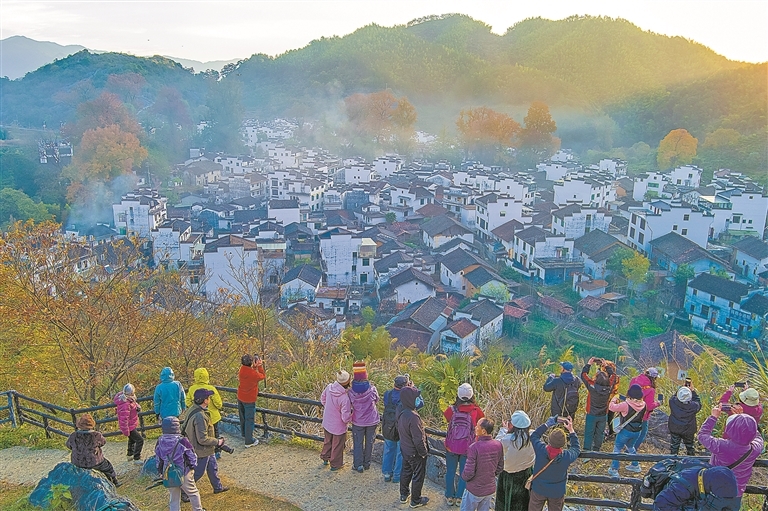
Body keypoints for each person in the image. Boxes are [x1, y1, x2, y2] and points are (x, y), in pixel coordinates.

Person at [698, 405, 764, 509]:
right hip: (736, 494)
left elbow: (702, 435)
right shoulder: (755, 448)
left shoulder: (722, 446)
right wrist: (744, 420)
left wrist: (713, 417)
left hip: (716, 491)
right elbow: (758, 436)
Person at [182, 389, 229, 500]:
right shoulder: (200, 416)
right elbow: (202, 439)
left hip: (204, 448)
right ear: (204, 400)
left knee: (212, 467)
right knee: (198, 472)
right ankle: (184, 492)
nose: (209, 399)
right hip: (201, 449)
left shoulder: (193, 409)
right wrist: (218, 442)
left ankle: (217, 487)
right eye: (208, 397)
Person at [443, 383, 485, 507]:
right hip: (468, 447)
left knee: (450, 471)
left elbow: (447, 418)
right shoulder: (476, 411)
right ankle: (460, 497)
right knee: (464, 472)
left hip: (451, 446)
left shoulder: (452, 409)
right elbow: (482, 423)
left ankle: (449, 496)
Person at [528, 415, 580, 511]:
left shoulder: (540, 449)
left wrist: (547, 424)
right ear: (563, 443)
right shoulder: (566, 456)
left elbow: (534, 436)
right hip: (557, 492)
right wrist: (571, 430)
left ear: (549, 440)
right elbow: (576, 449)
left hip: (539, 488)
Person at [155, 416, 204, 511]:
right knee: (193, 493)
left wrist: (160, 471)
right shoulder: (182, 440)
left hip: (168, 472)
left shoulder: (160, 441)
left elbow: (158, 458)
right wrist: (192, 467)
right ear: (177, 426)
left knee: (173, 497)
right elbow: (192, 455)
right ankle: (198, 509)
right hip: (184, 471)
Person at [460, 418, 504, 511]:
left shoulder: (474, 447)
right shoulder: (498, 445)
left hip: (474, 489)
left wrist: (463, 477)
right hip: (489, 488)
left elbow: (469, 472)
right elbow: (500, 467)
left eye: (477, 426)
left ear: (483, 431)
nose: (475, 427)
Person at [495, 410, 535, 511]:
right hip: (526, 474)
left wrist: (503, 430)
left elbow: (497, 444)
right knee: (523, 501)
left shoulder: (507, 439)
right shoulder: (533, 437)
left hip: (508, 475)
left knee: (505, 502)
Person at [398, 384, 430, 508]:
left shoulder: (401, 412)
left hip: (405, 449)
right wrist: (423, 452)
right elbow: (418, 439)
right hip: (415, 452)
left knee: (406, 471)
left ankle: (403, 494)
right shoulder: (413, 417)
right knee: (418, 475)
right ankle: (416, 500)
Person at [653, 466, 739, 511]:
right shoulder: (682, 487)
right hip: (671, 504)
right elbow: (661, 504)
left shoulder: (718, 479)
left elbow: (729, 505)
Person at [66, 414, 119, 486]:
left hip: (78, 462)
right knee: (108, 467)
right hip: (94, 462)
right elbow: (103, 442)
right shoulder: (96, 435)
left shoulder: (73, 435)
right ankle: (114, 482)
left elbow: (68, 445)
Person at [607, 384, 646, 477]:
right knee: (630, 446)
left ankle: (614, 469)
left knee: (617, 448)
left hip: (626, 431)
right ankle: (635, 465)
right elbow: (632, 402)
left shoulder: (626, 405)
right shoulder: (644, 404)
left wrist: (614, 399)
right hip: (637, 431)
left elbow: (611, 407)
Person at [349, 361, 380, 473]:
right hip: (372, 420)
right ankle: (367, 463)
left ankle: (358, 465)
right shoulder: (372, 389)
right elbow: (376, 400)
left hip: (358, 421)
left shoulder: (351, 392)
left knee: (358, 442)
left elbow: (350, 404)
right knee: (369, 443)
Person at [320, 369, 352, 471]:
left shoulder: (329, 388)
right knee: (337, 446)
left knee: (327, 441)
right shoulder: (344, 398)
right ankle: (335, 464)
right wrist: (352, 416)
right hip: (338, 426)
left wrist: (329, 408)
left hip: (327, 421)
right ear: (348, 382)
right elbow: (345, 417)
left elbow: (323, 399)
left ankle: (325, 457)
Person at [186, 368, 224, 455]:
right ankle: (217, 451)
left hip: (198, 416)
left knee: (201, 435)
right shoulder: (211, 389)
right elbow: (218, 404)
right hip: (213, 417)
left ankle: (205, 452)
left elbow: (188, 402)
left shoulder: (192, 389)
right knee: (215, 434)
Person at [381, 375, 408, 483]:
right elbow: (419, 404)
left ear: (394, 384)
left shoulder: (388, 394)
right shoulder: (406, 397)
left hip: (389, 425)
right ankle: (397, 475)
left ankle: (387, 473)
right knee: (400, 451)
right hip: (402, 426)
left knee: (388, 449)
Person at [580, 359, 611, 452]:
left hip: (591, 414)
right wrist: (606, 366)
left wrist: (589, 364)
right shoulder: (610, 386)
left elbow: (583, 375)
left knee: (589, 433)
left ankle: (586, 451)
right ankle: (596, 449)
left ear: (596, 379)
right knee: (600, 432)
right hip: (603, 414)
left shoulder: (592, 386)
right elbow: (613, 375)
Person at [628, 367, 660, 452]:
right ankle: (631, 451)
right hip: (642, 416)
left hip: (630, 411)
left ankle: (627, 447)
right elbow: (649, 406)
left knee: (629, 430)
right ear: (654, 378)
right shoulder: (650, 389)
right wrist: (658, 403)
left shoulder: (634, 380)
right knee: (642, 433)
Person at [237, 354, 266, 447]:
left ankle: (245, 435)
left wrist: (253, 367)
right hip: (249, 399)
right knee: (249, 419)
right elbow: (262, 376)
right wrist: (259, 366)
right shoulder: (254, 374)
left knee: (243, 417)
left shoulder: (241, 370)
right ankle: (249, 441)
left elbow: (249, 372)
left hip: (241, 396)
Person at [114, 383, 144, 464]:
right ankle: (136, 458)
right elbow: (124, 418)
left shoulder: (128, 399)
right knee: (140, 440)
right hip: (129, 425)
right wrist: (125, 430)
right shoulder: (125, 404)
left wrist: (136, 406)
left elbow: (133, 404)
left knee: (132, 439)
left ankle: (130, 454)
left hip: (131, 424)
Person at [668, 385, 701, 455]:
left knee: (674, 446)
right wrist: (693, 392)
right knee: (690, 446)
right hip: (689, 429)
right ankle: (691, 462)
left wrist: (681, 389)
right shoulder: (694, 406)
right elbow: (698, 402)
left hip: (675, 428)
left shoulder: (672, 402)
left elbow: (674, 396)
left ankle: (672, 461)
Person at [602, 361, 620, 435]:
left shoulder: (603, 378)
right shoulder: (616, 378)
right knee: (610, 416)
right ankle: (611, 431)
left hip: (605, 399)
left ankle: (602, 432)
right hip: (613, 398)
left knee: (603, 416)